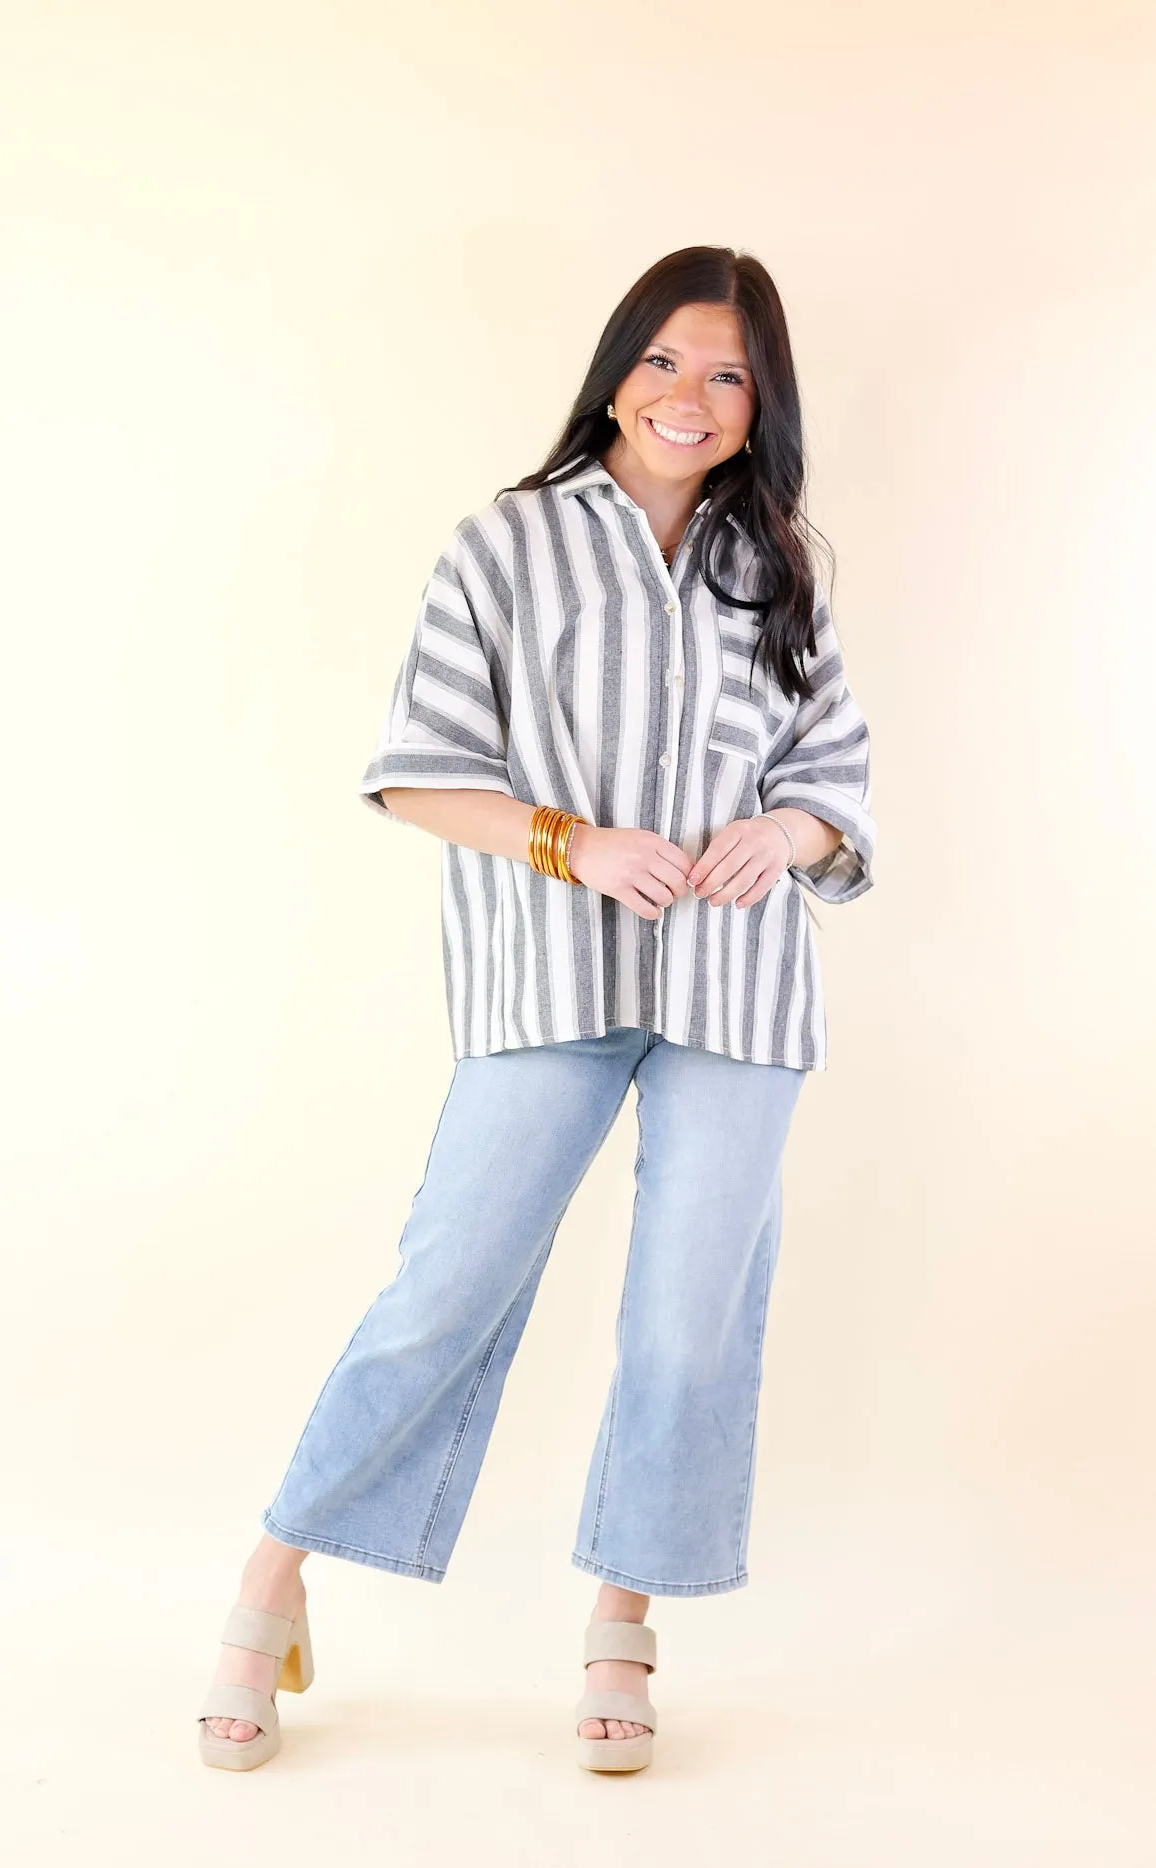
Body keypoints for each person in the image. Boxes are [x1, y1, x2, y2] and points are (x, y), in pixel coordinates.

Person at [197, 244, 877, 1775]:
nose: (688, 397)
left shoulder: (782, 566)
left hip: (737, 990)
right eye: (663, 362)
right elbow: (421, 770)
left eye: (725, 373)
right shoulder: (506, 545)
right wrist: (580, 843)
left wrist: (786, 833)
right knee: (448, 1283)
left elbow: (837, 786)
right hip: (550, 975)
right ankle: (270, 1582)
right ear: (616, 368)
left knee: (682, 1321)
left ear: (759, 399)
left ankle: (621, 1623)